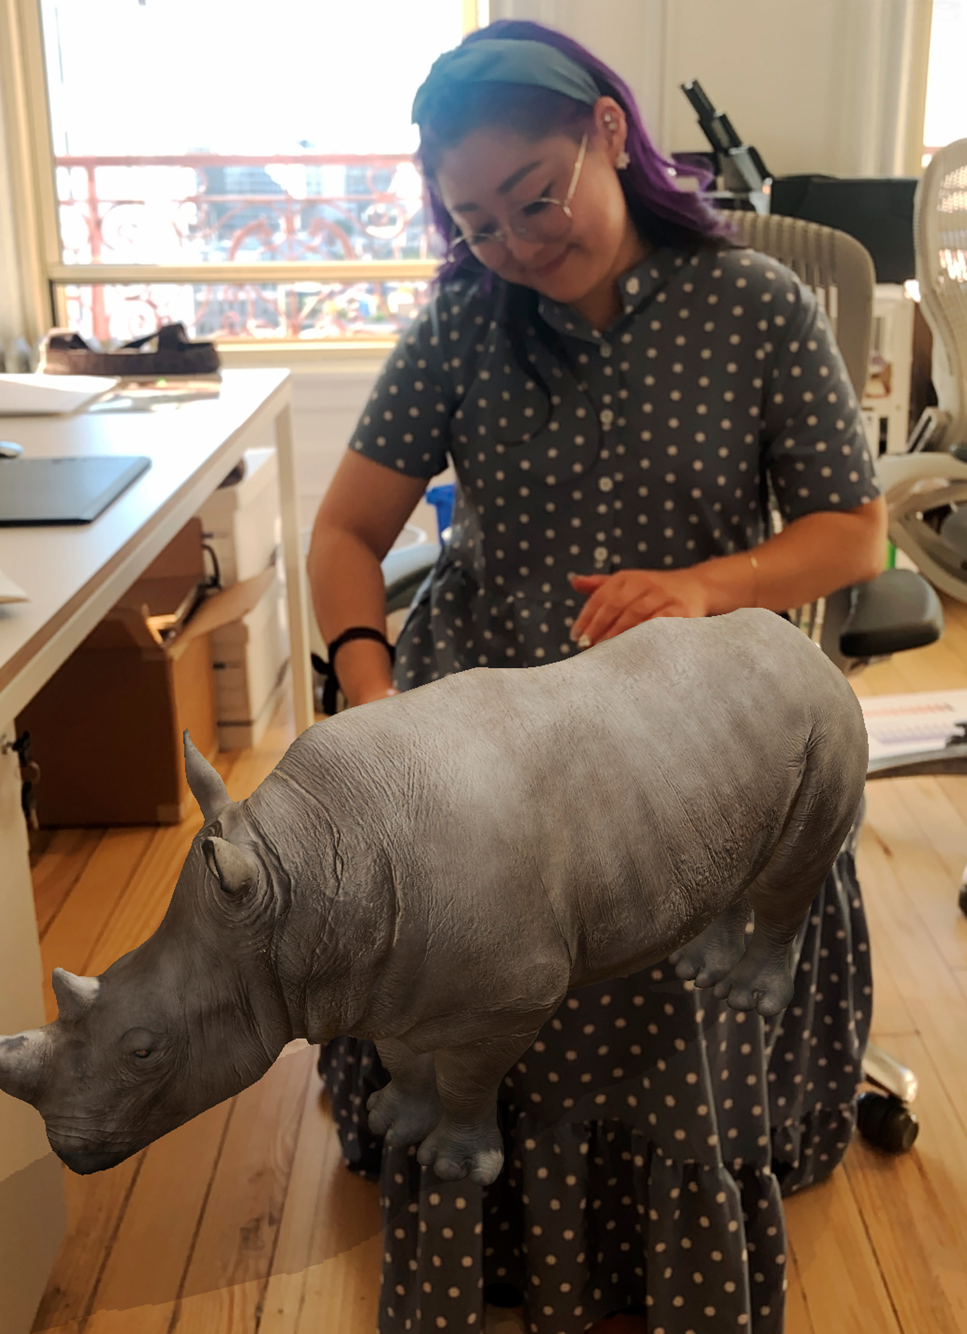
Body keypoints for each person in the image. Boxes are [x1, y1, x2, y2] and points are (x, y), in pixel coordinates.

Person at [306, 20, 887, 1334]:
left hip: (690, 707)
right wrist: (367, 688)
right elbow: (344, 534)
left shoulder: (757, 307)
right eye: (477, 222)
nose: (515, 244)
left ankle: (661, 1201)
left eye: (535, 198)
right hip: (487, 694)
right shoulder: (466, 322)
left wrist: (705, 585)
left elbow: (854, 533)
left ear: (610, 135)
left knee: (667, 942)